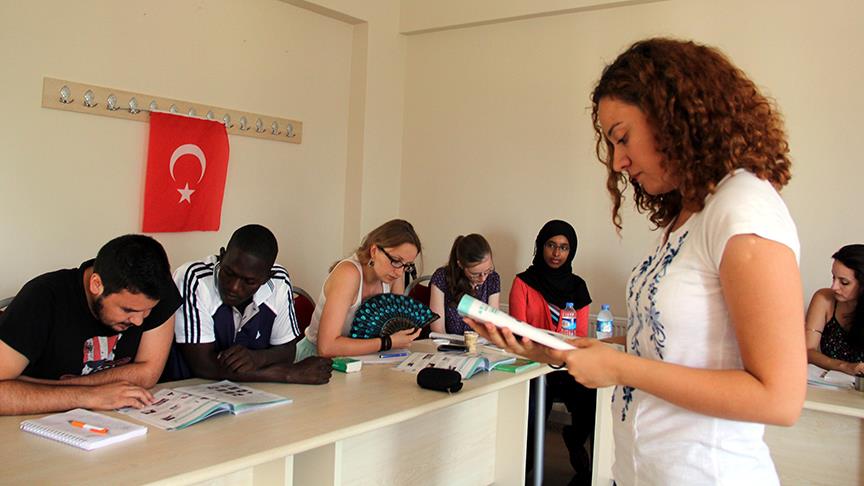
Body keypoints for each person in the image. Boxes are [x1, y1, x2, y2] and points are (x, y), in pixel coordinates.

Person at [469, 38, 806, 485]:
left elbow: (779, 398)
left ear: (676, 118)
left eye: (623, 137)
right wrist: (560, 351)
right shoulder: (693, 213)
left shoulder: (744, 209)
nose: (618, 161)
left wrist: (620, 368)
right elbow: (669, 347)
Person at [0, 234, 181, 415]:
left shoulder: (155, 290)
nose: (139, 321)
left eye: (148, 310)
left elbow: (148, 374)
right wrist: (89, 396)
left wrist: (49, 386)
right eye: (127, 310)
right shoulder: (41, 298)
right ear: (96, 285)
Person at [168, 224, 332, 384]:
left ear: (266, 278)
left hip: (249, 390)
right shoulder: (194, 279)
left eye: (249, 281)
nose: (234, 287)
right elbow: (203, 366)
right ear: (222, 256)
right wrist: (286, 374)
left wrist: (257, 358)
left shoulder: (278, 281)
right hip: (187, 387)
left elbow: (287, 351)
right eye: (229, 273)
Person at [509, 219, 594, 485]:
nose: (556, 253)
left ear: (571, 251)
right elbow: (518, 331)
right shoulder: (523, 282)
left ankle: (578, 443)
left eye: (564, 247)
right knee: (534, 408)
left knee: (593, 397)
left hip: (566, 366)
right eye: (551, 245)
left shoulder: (578, 287)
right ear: (540, 246)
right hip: (533, 365)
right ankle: (522, 470)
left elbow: (579, 335)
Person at [294, 219, 423, 360]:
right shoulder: (348, 274)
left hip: (362, 358)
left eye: (407, 265)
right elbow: (326, 348)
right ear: (374, 251)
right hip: (315, 361)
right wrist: (387, 342)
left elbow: (396, 328)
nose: (399, 272)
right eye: (396, 260)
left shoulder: (395, 274)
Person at [805, 244, 864, 375]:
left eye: (844, 282)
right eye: (833, 277)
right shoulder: (824, 299)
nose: (834, 287)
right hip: (829, 383)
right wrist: (845, 366)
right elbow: (808, 351)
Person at [429, 234, 500, 335]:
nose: (483, 278)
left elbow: (492, 326)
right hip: (447, 342)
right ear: (461, 265)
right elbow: (438, 330)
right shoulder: (441, 277)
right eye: (475, 274)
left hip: (480, 343)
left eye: (488, 270)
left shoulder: (493, 278)